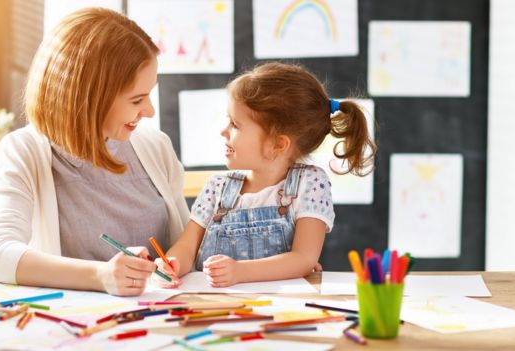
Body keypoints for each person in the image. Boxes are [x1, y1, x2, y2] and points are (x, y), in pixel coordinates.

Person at [0, 8, 189, 296]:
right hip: (77, 330)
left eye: (149, 94)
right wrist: (101, 276)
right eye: (137, 99)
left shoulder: (156, 148)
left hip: (158, 321)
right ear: (90, 98)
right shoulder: (25, 151)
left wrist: (175, 262)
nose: (150, 110)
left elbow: (186, 243)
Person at [155, 62, 376, 288]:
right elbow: (186, 247)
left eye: (235, 125)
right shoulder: (217, 188)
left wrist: (240, 271)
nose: (223, 131)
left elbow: (303, 258)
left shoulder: (309, 184)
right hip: (217, 306)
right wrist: (173, 263)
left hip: (282, 310)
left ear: (278, 144)